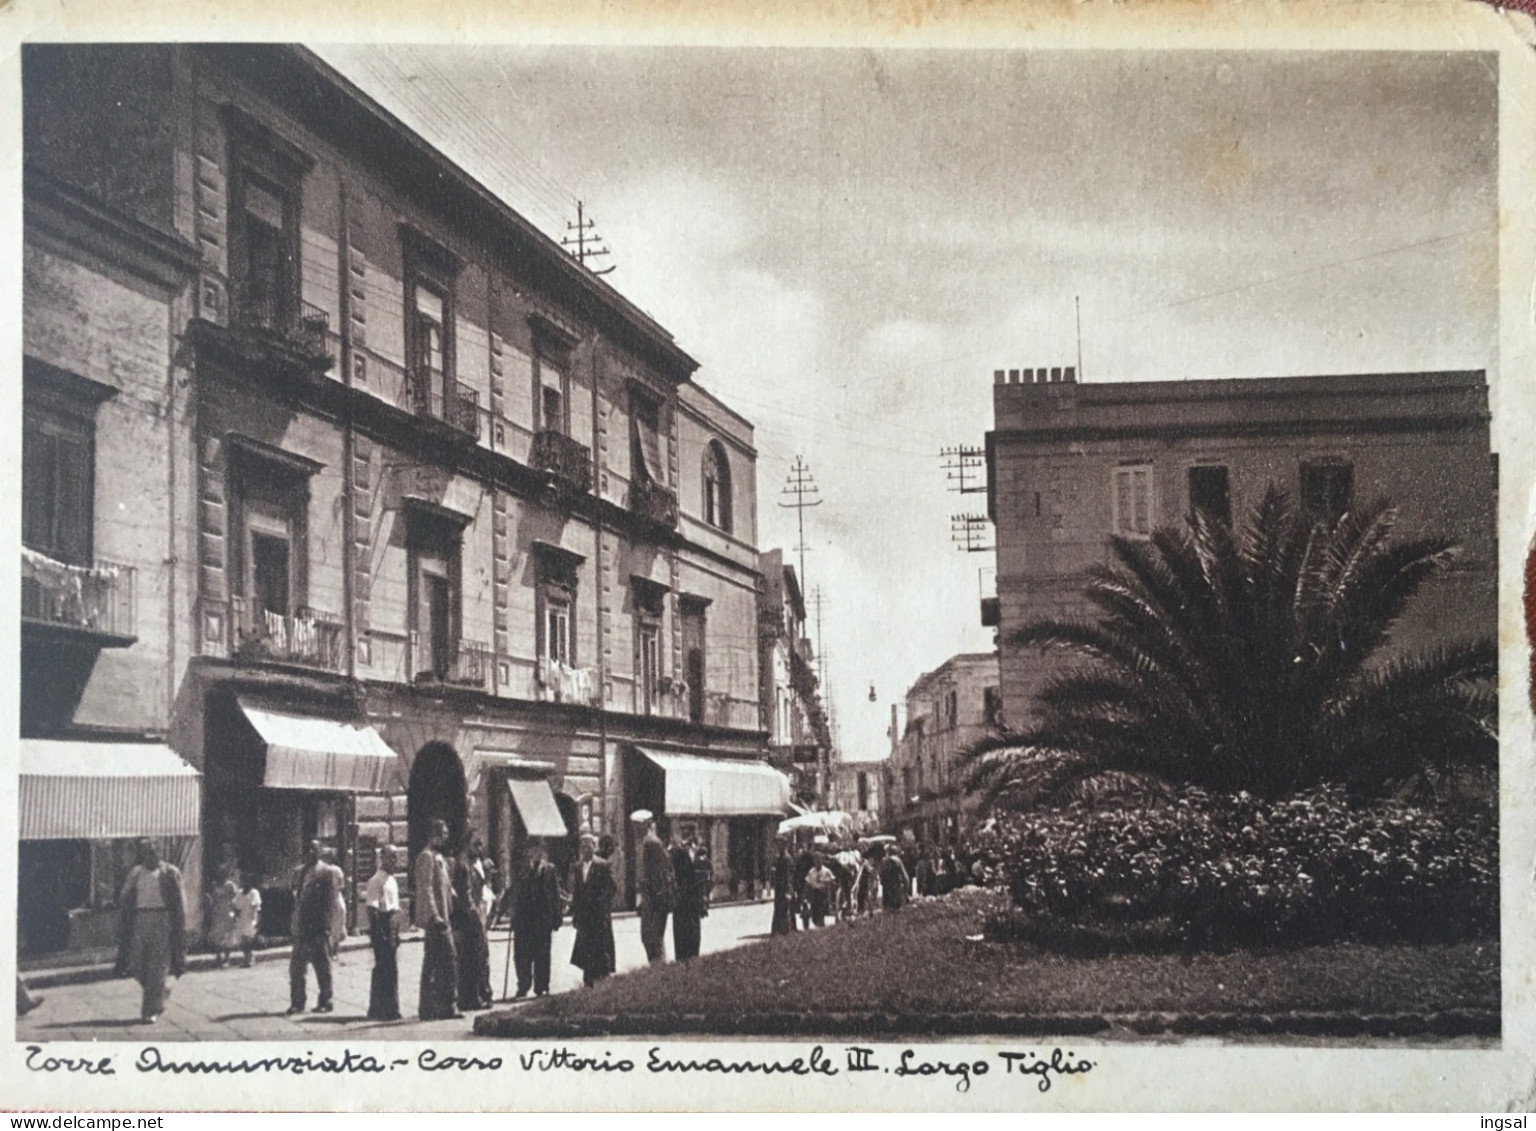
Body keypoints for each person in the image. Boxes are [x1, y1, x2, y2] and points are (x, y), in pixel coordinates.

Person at [115, 840, 186, 1024]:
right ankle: (161, 992)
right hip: (140, 918)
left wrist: (179, 924)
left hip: (162, 918)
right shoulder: (136, 872)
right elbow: (124, 896)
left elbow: (180, 900)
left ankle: (149, 1011)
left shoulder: (170, 872)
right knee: (135, 964)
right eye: (148, 851)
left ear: (160, 853)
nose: (151, 854)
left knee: (157, 965)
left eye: (155, 851)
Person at [414, 819, 460, 1020]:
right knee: (446, 961)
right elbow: (426, 889)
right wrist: (435, 915)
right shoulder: (427, 857)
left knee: (435, 962)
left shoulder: (438, 857)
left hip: (444, 918)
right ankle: (445, 1006)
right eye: (443, 832)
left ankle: (432, 1007)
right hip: (437, 921)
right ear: (433, 834)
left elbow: (443, 886)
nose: (446, 836)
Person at [288, 840, 339, 1015]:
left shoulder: (327, 872)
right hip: (302, 925)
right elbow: (296, 897)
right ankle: (297, 1002)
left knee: (322, 966)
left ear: (319, 852)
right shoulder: (299, 872)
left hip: (319, 926)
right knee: (296, 967)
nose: (311, 852)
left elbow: (332, 902)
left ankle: (326, 1000)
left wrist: (329, 926)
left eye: (314, 849)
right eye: (308, 849)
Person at [511, 841, 561, 997]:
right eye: (532, 851)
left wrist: (556, 916)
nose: (536, 854)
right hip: (524, 919)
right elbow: (515, 893)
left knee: (543, 954)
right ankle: (523, 985)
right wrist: (513, 916)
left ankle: (542, 986)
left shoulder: (550, 870)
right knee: (522, 955)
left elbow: (555, 895)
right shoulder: (521, 869)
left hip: (542, 919)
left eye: (539, 851)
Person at [569, 834, 616, 986]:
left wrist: (602, 905)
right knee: (585, 949)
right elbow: (576, 892)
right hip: (583, 917)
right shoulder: (577, 867)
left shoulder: (603, 865)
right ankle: (588, 981)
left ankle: (602, 980)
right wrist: (575, 914)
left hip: (598, 915)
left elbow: (611, 888)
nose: (585, 849)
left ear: (594, 847)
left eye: (589, 845)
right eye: (583, 846)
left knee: (600, 949)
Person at [452, 842, 493, 1011]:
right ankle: (472, 997)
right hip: (470, 918)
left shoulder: (480, 865)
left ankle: (482, 993)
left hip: (479, 914)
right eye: (475, 844)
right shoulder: (464, 865)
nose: (479, 847)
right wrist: (476, 914)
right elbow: (466, 894)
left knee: (481, 957)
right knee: (472, 958)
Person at [363, 846, 401, 1022]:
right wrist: (380, 934)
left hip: (392, 925)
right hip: (382, 927)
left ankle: (391, 1007)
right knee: (383, 968)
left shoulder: (392, 880)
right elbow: (373, 909)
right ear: (382, 858)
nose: (394, 861)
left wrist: (396, 932)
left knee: (391, 968)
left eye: (396, 858)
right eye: (391, 857)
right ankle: (380, 1009)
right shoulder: (375, 881)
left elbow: (395, 907)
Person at [633, 810, 675, 964]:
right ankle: (658, 968)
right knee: (650, 938)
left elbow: (662, 873)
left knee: (652, 939)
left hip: (655, 900)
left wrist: (655, 899)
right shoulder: (646, 842)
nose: (634, 829)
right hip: (649, 899)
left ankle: (660, 970)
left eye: (637, 825)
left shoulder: (652, 843)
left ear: (645, 824)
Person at [670, 827, 707, 962]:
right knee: (685, 934)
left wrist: (703, 896)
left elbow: (704, 877)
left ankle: (689, 958)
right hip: (684, 899)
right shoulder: (679, 853)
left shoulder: (698, 854)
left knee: (691, 934)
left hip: (690, 900)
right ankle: (685, 959)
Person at [207, 866, 240, 966]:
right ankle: (218, 956)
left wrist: (235, 912)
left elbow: (235, 898)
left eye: (223, 874)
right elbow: (213, 898)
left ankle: (227, 958)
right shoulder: (215, 885)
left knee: (227, 935)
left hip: (227, 912)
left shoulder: (230, 885)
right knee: (217, 935)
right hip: (217, 913)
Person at [232, 873, 262, 967]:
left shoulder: (254, 893)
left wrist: (255, 920)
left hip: (251, 919)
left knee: (248, 939)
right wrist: (235, 918)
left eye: (246, 881)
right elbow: (236, 906)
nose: (244, 883)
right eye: (243, 881)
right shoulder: (239, 893)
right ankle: (246, 958)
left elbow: (255, 906)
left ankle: (250, 958)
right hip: (242, 919)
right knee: (243, 940)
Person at [770, 839, 798, 935]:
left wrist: (788, 891)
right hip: (779, 888)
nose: (779, 847)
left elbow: (788, 876)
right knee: (779, 909)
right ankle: (778, 931)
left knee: (786, 910)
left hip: (785, 888)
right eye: (778, 845)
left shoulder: (787, 859)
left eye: (781, 845)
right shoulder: (780, 858)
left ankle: (786, 931)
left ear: (785, 846)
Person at [803, 852, 835, 927]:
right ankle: (817, 923)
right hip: (814, 893)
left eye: (819, 860)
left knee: (821, 912)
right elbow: (807, 882)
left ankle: (820, 925)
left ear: (822, 860)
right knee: (814, 913)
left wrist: (824, 881)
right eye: (815, 860)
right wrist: (805, 895)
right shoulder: (811, 871)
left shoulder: (826, 871)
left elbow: (832, 881)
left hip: (822, 892)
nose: (817, 862)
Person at [879, 845, 910, 912]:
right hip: (896, 888)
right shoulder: (898, 861)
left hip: (886, 890)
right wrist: (906, 892)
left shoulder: (884, 861)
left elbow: (881, 874)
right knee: (896, 910)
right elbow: (905, 877)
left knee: (887, 910)